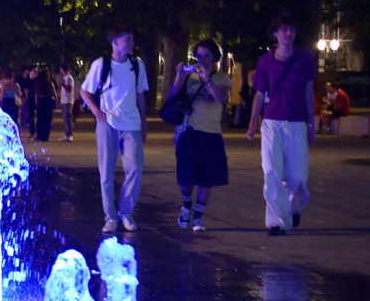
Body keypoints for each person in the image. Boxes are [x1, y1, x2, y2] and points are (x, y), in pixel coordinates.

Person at [246, 12, 315, 236]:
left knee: (297, 176)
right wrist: (252, 123)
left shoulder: (305, 58)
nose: (288, 34)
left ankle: (292, 208)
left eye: (291, 30)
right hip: (272, 122)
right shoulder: (265, 61)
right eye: (283, 30)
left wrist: (312, 124)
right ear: (275, 33)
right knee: (272, 171)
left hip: (296, 123)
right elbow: (259, 94)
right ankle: (275, 222)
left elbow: (308, 91)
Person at [80, 25, 151, 234]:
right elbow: (85, 91)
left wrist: (144, 121)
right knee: (106, 173)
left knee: (135, 169)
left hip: (132, 124)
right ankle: (110, 217)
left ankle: (126, 211)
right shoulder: (101, 65)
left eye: (131, 39)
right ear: (115, 42)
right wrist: (97, 112)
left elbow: (140, 95)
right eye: (127, 39)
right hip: (107, 123)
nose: (132, 43)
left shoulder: (137, 65)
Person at [165, 38, 231, 232]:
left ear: (214, 58)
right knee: (185, 177)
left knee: (206, 178)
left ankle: (198, 217)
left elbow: (220, 98)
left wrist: (207, 79)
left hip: (211, 132)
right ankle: (186, 206)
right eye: (199, 56)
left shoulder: (221, 78)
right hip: (188, 131)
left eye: (207, 56)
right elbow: (171, 97)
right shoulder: (189, 77)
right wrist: (178, 76)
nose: (202, 60)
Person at [33, 71, 56, 142]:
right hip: (48, 101)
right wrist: (56, 103)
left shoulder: (38, 84)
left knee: (40, 119)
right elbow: (54, 94)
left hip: (41, 101)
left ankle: (39, 135)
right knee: (47, 119)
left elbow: (36, 95)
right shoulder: (50, 84)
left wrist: (36, 104)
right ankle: (45, 136)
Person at [57, 63, 78, 141]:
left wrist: (63, 85)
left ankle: (69, 134)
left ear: (63, 70)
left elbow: (68, 89)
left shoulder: (68, 78)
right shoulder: (65, 78)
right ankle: (67, 134)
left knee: (67, 117)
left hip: (68, 101)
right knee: (65, 117)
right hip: (64, 100)